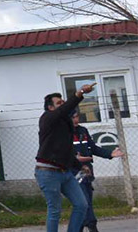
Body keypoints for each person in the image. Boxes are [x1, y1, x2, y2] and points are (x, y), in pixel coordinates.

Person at [36, 84, 94, 232]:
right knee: (55, 210)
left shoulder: (64, 125)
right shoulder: (47, 118)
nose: (62, 104)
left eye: (63, 102)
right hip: (48, 172)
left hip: (65, 172)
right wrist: (79, 93)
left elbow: (66, 151)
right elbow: (64, 110)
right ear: (50, 107)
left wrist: (81, 166)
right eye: (59, 103)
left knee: (81, 204)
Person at [71, 110, 126, 232]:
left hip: (87, 172)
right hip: (73, 172)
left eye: (77, 117)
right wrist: (76, 159)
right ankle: (92, 226)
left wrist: (110, 153)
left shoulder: (83, 130)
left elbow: (93, 148)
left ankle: (78, 228)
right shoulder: (63, 133)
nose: (76, 120)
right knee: (83, 203)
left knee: (84, 204)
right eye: (73, 117)